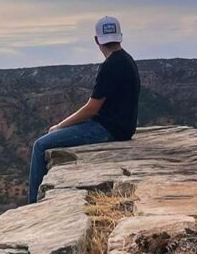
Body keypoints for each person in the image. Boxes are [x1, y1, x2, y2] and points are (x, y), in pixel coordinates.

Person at [28, 16, 140, 203]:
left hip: (108, 129)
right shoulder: (127, 60)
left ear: (97, 40)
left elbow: (92, 108)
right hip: (123, 126)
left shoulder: (110, 65)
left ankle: (32, 206)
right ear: (120, 37)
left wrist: (59, 126)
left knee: (40, 145)